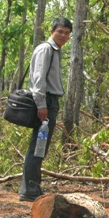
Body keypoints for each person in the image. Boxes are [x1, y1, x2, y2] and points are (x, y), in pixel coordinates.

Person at [19, 17, 73, 201]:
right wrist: (41, 105)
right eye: (60, 31)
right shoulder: (46, 49)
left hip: (51, 103)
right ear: (52, 32)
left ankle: (33, 187)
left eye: (67, 33)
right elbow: (38, 79)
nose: (63, 35)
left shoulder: (56, 51)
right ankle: (29, 190)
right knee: (38, 145)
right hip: (45, 103)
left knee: (41, 146)